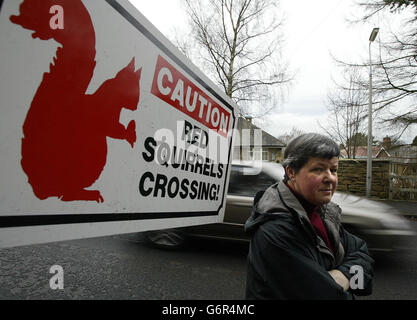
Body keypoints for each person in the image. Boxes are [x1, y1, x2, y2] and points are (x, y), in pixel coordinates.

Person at [245, 133, 374, 299]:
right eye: (318, 169)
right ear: (291, 172)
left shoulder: (322, 212)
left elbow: (363, 253)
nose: (330, 178)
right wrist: (345, 279)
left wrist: (343, 276)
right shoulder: (276, 230)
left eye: (333, 170)